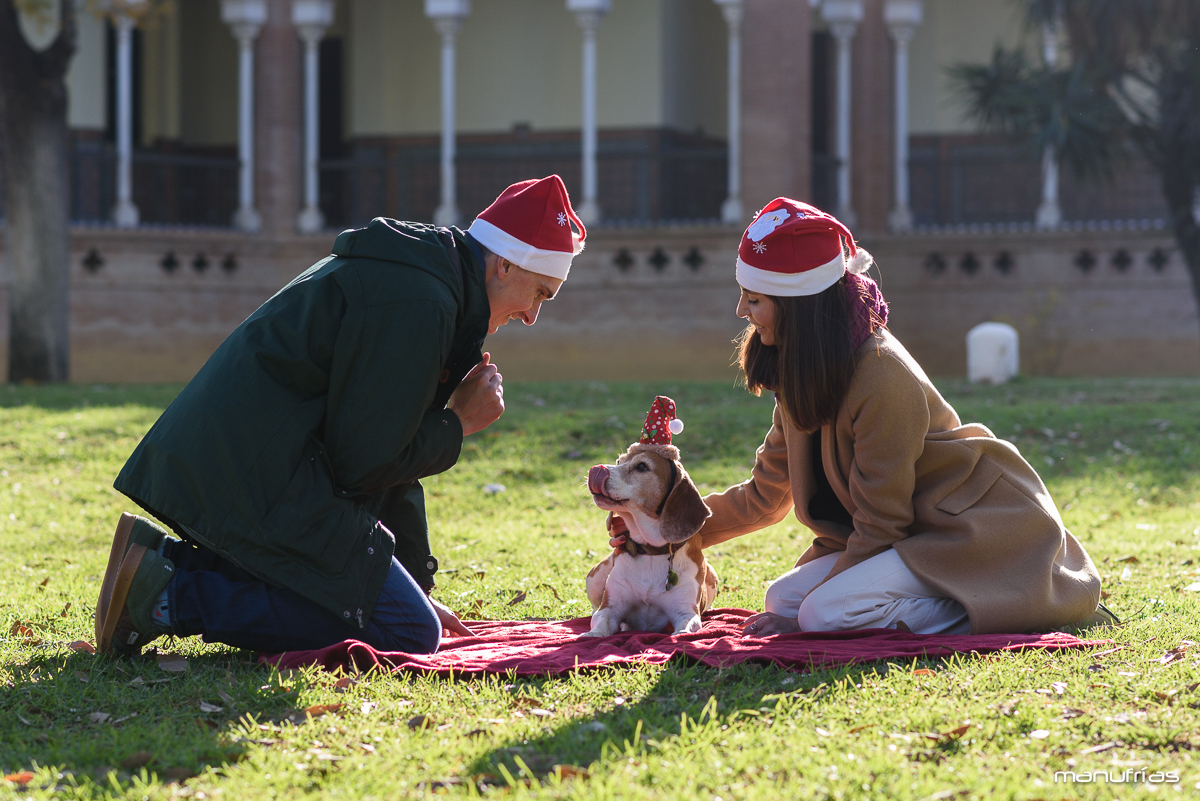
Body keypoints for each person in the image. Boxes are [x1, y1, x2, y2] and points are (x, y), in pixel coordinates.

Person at [95, 175, 587, 657]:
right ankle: (167, 598)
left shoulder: (433, 285)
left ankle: (160, 562)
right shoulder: (421, 301)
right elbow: (366, 464)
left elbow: (390, 457)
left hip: (253, 465)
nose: (532, 316)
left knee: (400, 612)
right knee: (406, 633)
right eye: (540, 293)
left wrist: (415, 586)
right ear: (504, 266)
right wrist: (456, 423)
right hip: (251, 473)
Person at [609, 198, 1114, 636]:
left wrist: (817, 607)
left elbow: (882, 521)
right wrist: (662, 524)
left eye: (755, 298)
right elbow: (766, 496)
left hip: (974, 534)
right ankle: (912, 606)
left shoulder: (880, 374)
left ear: (799, 306)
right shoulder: (800, 372)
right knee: (782, 601)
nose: (741, 309)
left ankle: (1006, 605)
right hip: (911, 536)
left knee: (823, 614)